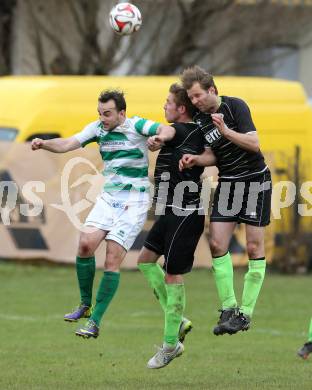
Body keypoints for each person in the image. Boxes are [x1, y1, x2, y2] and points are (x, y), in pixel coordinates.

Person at [31, 89, 173, 339]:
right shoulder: (97, 129)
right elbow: (67, 143)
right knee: (85, 245)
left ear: (122, 113)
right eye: (100, 113)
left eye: (107, 114)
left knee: (111, 259)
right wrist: (44, 143)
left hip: (134, 202)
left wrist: (158, 139)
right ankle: (85, 305)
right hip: (109, 198)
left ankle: (95, 322)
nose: (103, 118)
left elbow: (167, 129)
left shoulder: (136, 125)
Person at [179, 65, 272, 336]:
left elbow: (254, 144)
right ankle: (229, 308)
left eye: (197, 96)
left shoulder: (235, 107)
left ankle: (246, 314)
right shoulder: (200, 118)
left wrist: (226, 130)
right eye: (191, 98)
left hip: (255, 180)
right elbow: (213, 154)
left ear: (212, 90)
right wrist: (197, 159)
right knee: (217, 242)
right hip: (229, 182)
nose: (194, 102)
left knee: (254, 248)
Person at [137, 83, 214, 369]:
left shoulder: (182, 130)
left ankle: (170, 345)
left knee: (172, 275)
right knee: (145, 261)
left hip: (186, 212)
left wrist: (158, 138)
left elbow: (169, 132)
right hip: (169, 210)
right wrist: (160, 139)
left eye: (168, 103)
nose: (164, 107)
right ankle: (178, 318)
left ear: (181, 109)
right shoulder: (185, 133)